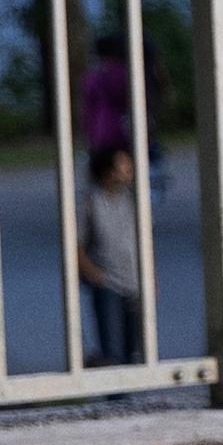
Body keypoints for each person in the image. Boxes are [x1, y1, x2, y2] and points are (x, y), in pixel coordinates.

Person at [76, 141, 141, 365]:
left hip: (134, 280)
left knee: (134, 348)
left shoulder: (132, 198)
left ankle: (127, 397)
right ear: (108, 171)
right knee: (113, 349)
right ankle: (116, 399)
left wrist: (150, 276)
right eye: (123, 166)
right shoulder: (91, 200)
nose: (128, 171)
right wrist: (92, 272)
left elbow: (142, 239)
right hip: (108, 283)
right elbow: (76, 242)